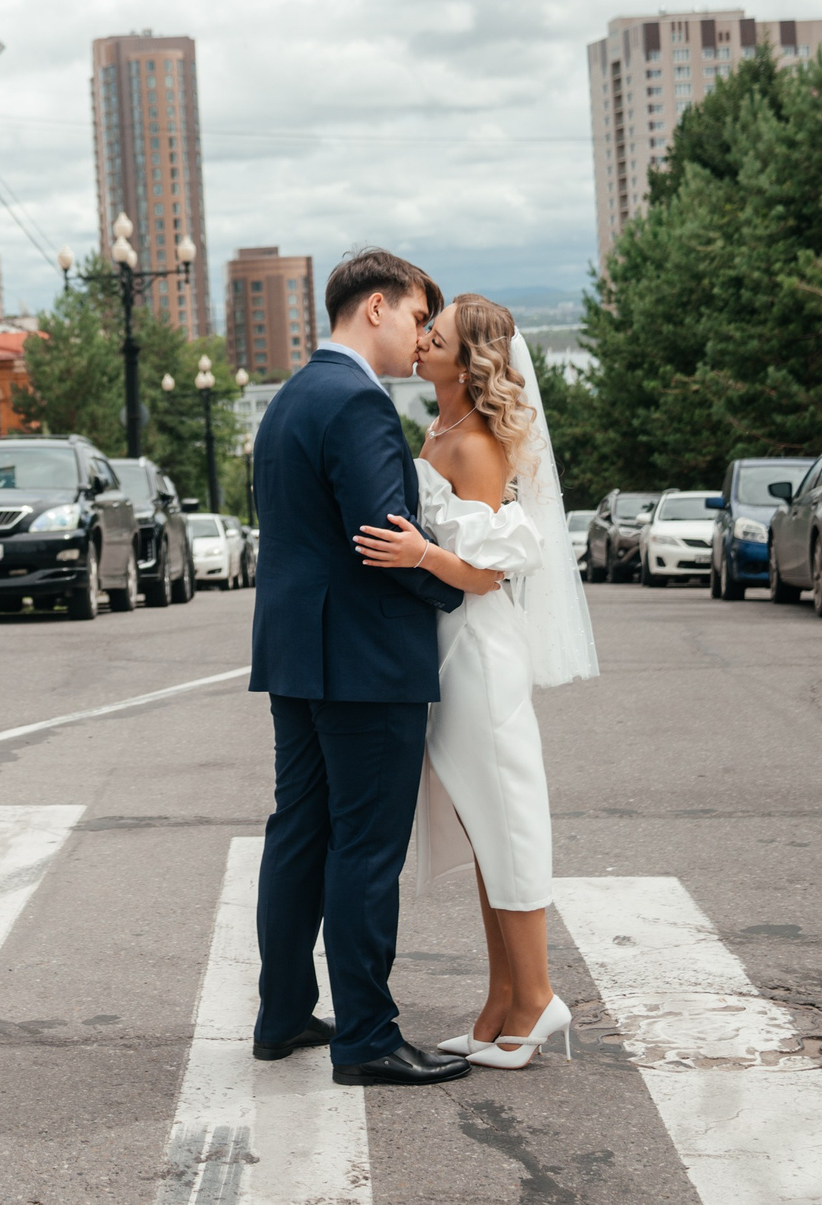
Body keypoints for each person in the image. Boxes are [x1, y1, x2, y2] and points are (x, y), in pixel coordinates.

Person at [248, 249, 506, 1087]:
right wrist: (460, 586)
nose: (421, 335)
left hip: (297, 655)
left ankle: (283, 1012)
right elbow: (382, 534)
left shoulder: (291, 396)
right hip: (365, 659)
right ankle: (366, 1035)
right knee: (365, 845)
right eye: (417, 317)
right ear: (375, 308)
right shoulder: (358, 401)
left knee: (299, 832)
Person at [353, 293, 601, 1070]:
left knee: (509, 824)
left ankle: (538, 997)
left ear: (467, 364)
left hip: (481, 652)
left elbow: (488, 571)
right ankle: (501, 1003)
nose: (422, 340)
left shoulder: (479, 445)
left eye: (438, 336)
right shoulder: (439, 430)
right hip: (450, 649)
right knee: (484, 829)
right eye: (426, 330)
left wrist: (419, 555)